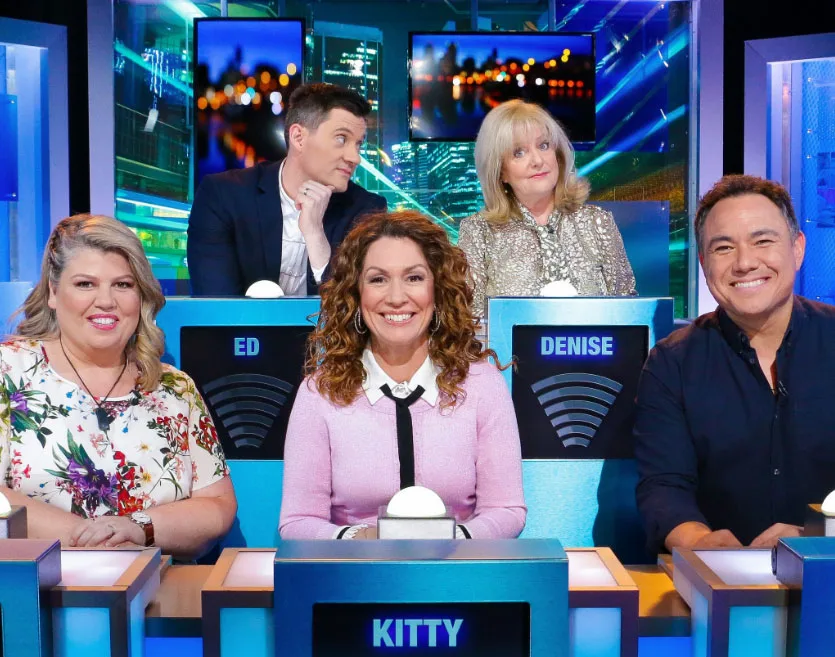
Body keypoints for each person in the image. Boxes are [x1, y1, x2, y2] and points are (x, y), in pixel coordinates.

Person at [279, 211, 526, 539]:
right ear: (356, 292)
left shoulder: (482, 385)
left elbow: (506, 511)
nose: (396, 298)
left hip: (458, 565)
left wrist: (453, 541)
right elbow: (298, 522)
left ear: (437, 289)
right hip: (355, 567)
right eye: (378, 279)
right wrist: (358, 539)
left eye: (414, 278)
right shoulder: (320, 393)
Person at [0, 214, 237, 556]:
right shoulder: (9, 372)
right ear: (53, 291)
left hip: (159, 584)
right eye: (86, 284)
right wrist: (92, 538)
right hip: (39, 585)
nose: (106, 301)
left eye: (123, 285)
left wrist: (137, 528)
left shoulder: (174, 387)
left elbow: (217, 505)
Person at [635, 174, 835, 553]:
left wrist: (819, 540)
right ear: (703, 262)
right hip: (718, 579)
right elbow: (664, 487)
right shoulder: (671, 364)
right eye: (724, 248)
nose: (744, 263)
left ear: (797, 249)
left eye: (763, 241)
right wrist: (700, 542)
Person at [187, 83, 387, 296]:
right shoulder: (222, 196)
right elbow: (216, 303)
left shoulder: (366, 210)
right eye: (341, 139)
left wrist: (315, 233)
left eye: (358, 145)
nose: (355, 158)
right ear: (298, 138)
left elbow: (357, 306)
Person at [459, 100, 636, 318]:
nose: (537, 160)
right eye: (519, 152)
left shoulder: (598, 222)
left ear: (558, 156)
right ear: (500, 171)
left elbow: (629, 312)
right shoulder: (478, 232)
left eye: (543, 146)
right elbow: (469, 321)